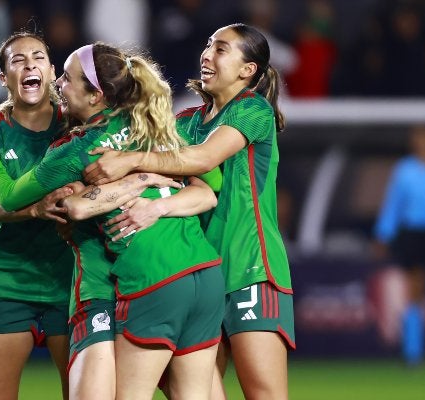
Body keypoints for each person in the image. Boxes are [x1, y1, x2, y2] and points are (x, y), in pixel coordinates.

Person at [0, 42, 225, 399]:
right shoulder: (153, 123)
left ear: (95, 96)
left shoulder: (76, 148)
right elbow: (211, 185)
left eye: (69, 79)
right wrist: (147, 174)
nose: (59, 82)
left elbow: (15, 198)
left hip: (146, 279)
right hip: (204, 273)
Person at [83, 23, 296, 399]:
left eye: (222, 49)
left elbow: (204, 157)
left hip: (250, 267)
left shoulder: (253, 110)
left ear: (248, 70)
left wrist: (133, 159)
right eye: (208, 44)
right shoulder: (185, 122)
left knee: (264, 393)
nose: (207, 54)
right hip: (199, 273)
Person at [0, 30, 76, 400]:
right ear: (4, 79)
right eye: (18, 60)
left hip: (71, 281)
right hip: (6, 282)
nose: (30, 64)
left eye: (38, 57)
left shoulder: (78, 128)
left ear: (52, 70)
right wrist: (39, 208)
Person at [373, 125, 425, 366]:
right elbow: (393, 204)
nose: (418, 141)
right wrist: (383, 234)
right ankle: (413, 352)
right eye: (415, 137)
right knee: (414, 290)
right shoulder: (404, 169)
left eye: (422, 136)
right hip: (414, 235)